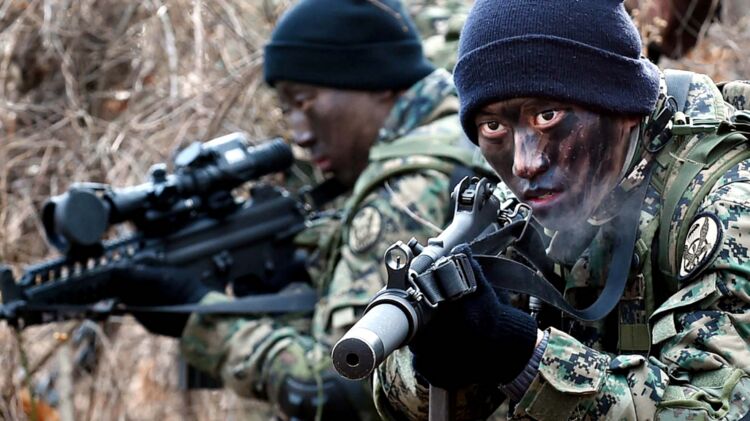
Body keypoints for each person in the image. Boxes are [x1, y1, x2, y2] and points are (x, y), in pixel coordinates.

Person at [374, 0, 750, 419]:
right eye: (494, 126)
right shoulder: (522, 210)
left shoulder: (730, 200)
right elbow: (401, 404)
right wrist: (442, 356)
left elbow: (715, 410)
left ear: (623, 105)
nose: (524, 163)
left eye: (547, 116)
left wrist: (520, 353)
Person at [113, 0, 489, 419]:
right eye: (285, 108)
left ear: (378, 80)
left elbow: (341, 383)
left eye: (304, 101)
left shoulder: (406, 186)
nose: (299, 135)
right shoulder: (462, 130)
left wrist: (201, 319)